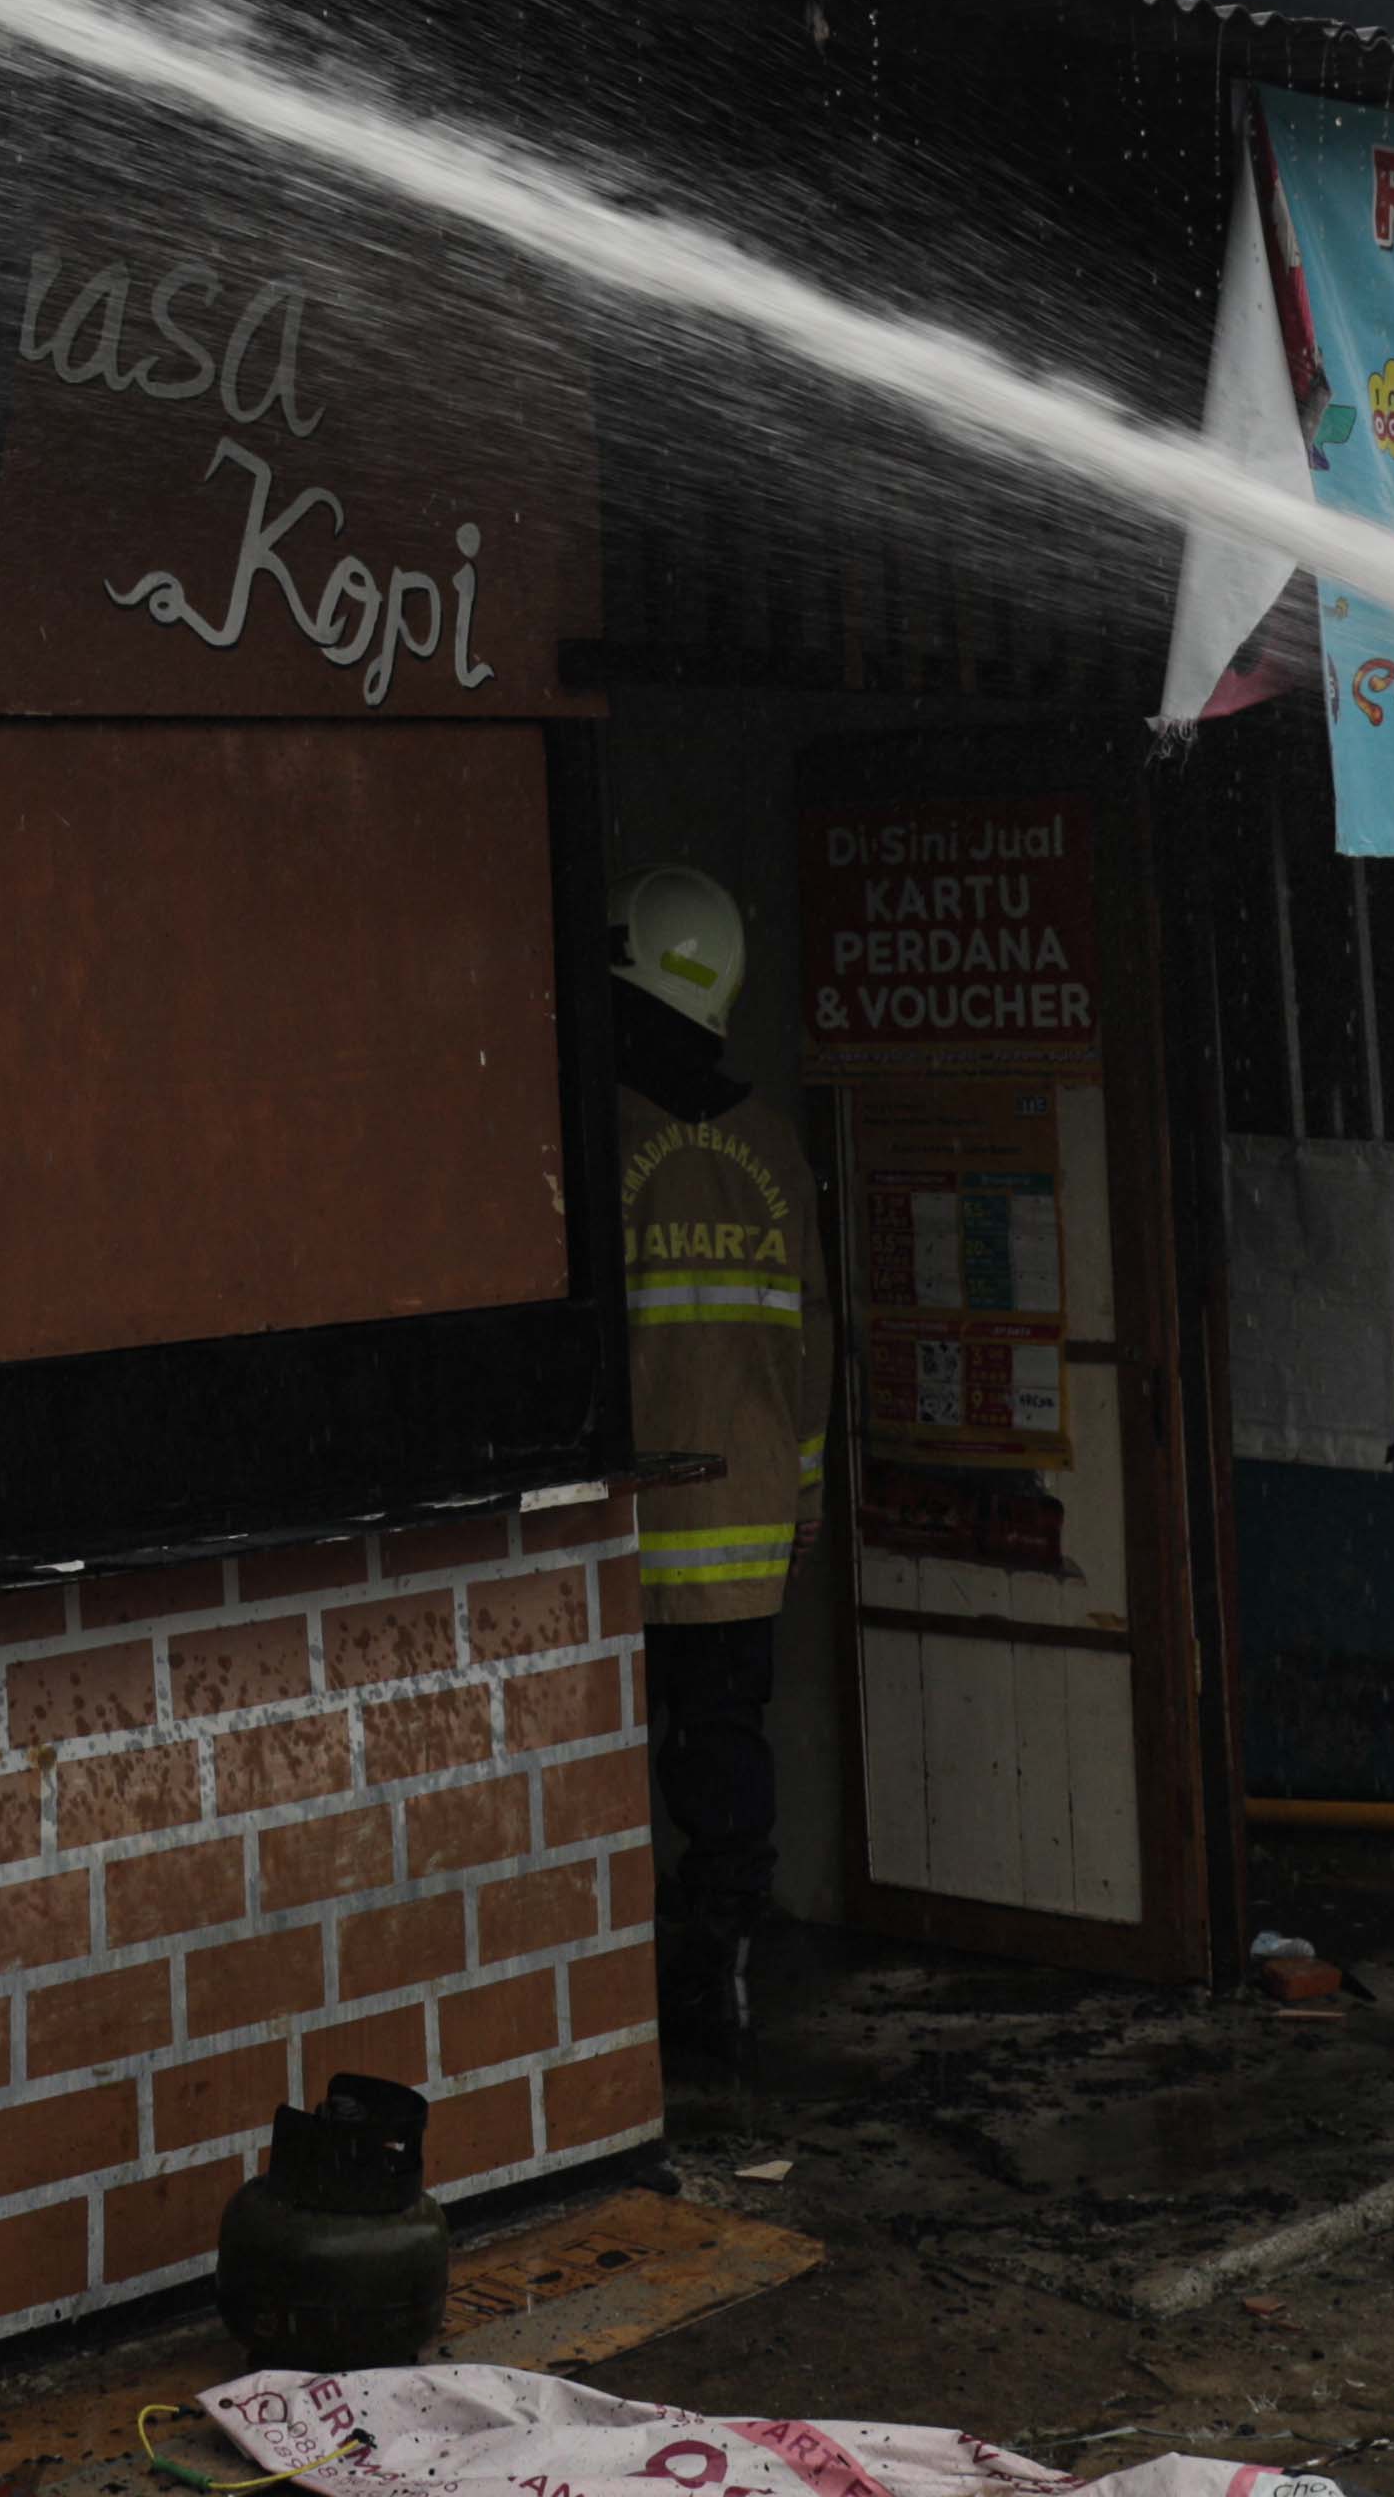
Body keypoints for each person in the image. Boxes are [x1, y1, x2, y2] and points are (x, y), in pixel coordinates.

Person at [608, 865, 818, 2075]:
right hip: (745, 1528)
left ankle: (641, 1980)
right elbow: (815, 1338)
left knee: (622, 1761)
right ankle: (722, 1963)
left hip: (633, 1526)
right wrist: (805, 1494)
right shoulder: (775, 1150)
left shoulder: (614, 1136)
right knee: (729, 1748)